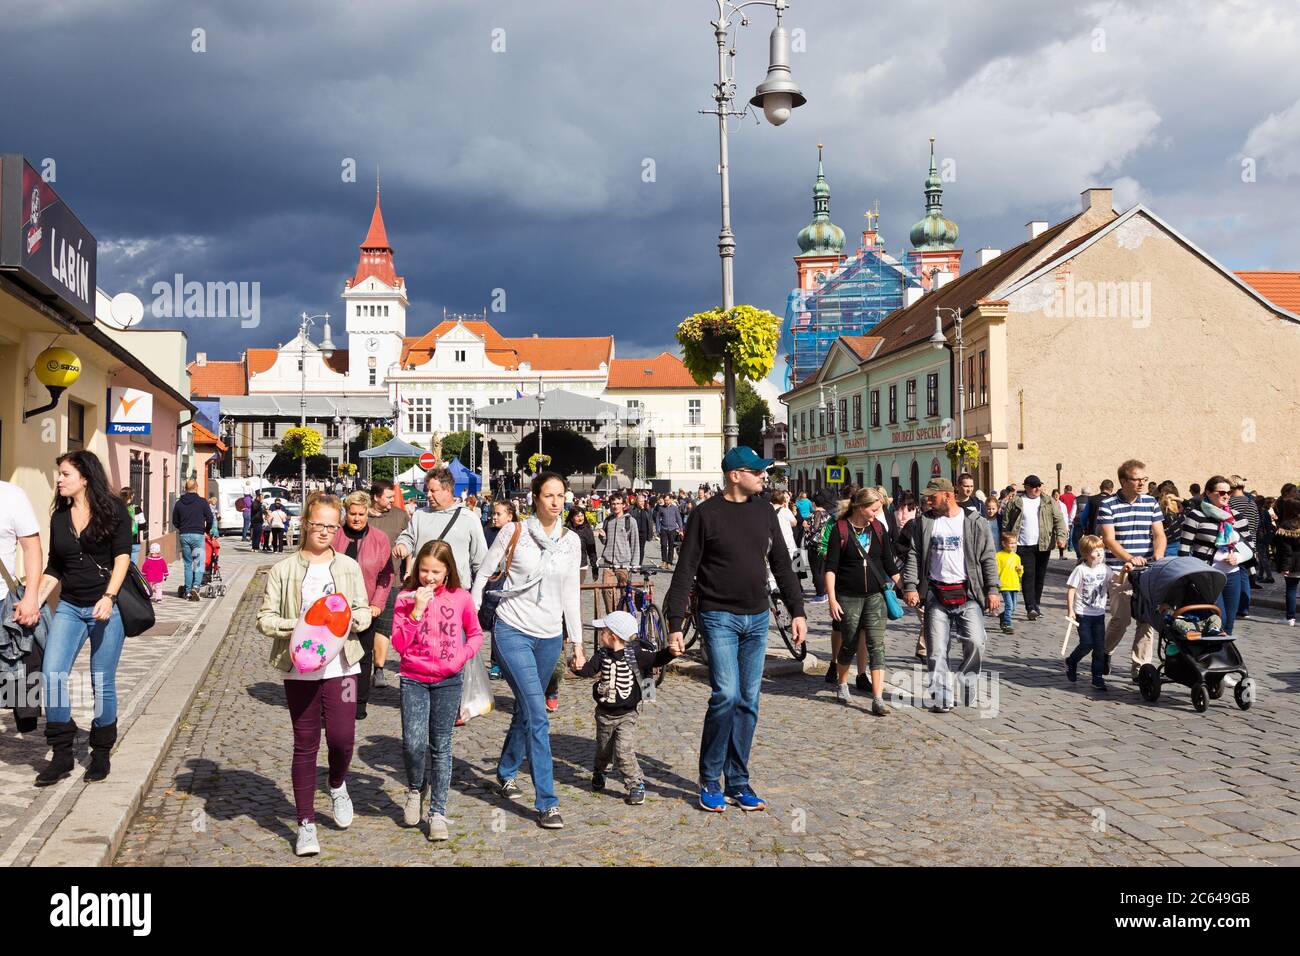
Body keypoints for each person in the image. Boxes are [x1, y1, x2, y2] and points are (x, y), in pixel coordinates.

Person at [664, 447, 806, 813]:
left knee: (749, 701)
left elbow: (781, 564)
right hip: (718, 616)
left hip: (757, 618)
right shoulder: (705, 514)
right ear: (735, 475)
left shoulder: (764, 512)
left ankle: (738, 781)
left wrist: (798, 611)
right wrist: (675, 624)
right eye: (757, 471)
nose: (764, 476)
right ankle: (710, 777)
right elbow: (685, 571)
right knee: (725, 695)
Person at [256, 494, 372, 857]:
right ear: (305, 523)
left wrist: (354, 620)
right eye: (318, 524)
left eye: (331, 526)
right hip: (300, 671)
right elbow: (265, 618)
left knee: (342, 738)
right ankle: (306, 823)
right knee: (305, 744)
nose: (324, 531)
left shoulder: (348, 568)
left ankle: (337, 784)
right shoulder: (284, 570)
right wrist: (302, 626)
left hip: (345, 667)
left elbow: (364, 609)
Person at [470, 472, 584, 829]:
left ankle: (506, 769)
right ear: (535, 497)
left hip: (550, 637)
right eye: (548, 495)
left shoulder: (572, 541)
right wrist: (471, 621)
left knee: (525, 707)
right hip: (512, 630)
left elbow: (571, 595)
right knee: (538, 713)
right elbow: (483, 574)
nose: (555, 501)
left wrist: (577, 643)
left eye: (560, 495)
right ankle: (547, 801)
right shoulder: (513, 532)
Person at [35, 451, 134, 786]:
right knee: (52, 674)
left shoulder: (114, 509)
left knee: (101, 678)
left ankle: (101, 752)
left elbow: (122, 556)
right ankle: (62, 754)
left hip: (106, 606)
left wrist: (109, 596)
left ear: (85, 477)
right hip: (69, 606)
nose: (59, 480)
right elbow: (55, 567)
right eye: (59, 474)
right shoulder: (59, 517)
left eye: (65, 474)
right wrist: (32, 601)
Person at [390, 540, 483, 840]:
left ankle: (438, 813)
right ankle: (416, 788)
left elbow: (476, 635)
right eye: (424, 571)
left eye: (436, 572)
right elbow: (399, 644)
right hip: (413, 678)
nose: (429, 578)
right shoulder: (405, 598)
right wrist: (416, 610)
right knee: (413, 743)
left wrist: (460, 657)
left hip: (448, 680)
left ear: (447, 572)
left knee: (441, 746)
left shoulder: (461, 598)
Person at [901, 477, 1002, 714]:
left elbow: (988, 557)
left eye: (932, 497)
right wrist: (910, 586)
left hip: (967, 594)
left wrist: (993, 590)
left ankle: (968, 682)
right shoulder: (924, 523)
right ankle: (942, 697)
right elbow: (914, 555)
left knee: (976, 642)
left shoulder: (975, 522)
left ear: (947, 495)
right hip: (936, 594)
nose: (928, 501)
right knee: (936, 650)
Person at [572, 609, 678, 805]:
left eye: (602, 631)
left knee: (624, 750)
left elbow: (656, 658)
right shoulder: (601, 654)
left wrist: (670, 653)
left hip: (627, 715)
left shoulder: (636, 654)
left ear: (612, 636)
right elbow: (588, 671)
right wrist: (576, 667)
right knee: (603, 749)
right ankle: (600, 771)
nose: (600, 634)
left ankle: (635, 784)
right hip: (604, 714)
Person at [824, 488, 900, 715]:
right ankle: (842, 683)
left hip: (876, 596)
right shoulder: (841, 529)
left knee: (877, 645)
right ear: (860, 507)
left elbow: (889, 563)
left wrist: (906, 587)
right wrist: (832, 599)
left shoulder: (878, 529)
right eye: (874, 509)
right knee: (849, 642)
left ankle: (878, 698)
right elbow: (831, 568)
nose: (877, 514)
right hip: (848, 596)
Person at [1098, 460, 1165, 678]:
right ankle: (1104, 652)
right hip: (1121, 570)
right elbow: (1109, 539)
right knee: (1121, 619)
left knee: (1147, 621)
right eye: (1137, 479)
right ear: (1124, 481)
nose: (1142, 483)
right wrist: (1130, 558)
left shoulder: (1151, 503)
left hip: (1147, 571)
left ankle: (1141, 668)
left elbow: (1159, 534)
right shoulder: (1108, 505)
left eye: (1144, 479)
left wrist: (1158, 555)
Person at [331, 492, 394, 720]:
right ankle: (334, 701)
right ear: (345, 513)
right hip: (334, 609)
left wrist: (377, 604)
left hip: (365, 610)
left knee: (362, 656)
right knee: (336, 655)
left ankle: (358, 702)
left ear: (368, 513)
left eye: (361, 514)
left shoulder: (379, 539)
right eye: (352, 514)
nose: (356, 518)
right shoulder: (334, 536)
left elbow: (386, 575)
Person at [394, 467, 488, 607]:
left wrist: (476, 601)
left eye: (433, 491)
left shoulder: (469, 518)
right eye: (427, 490)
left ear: (448, 490)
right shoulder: (420, 515)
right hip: (422, 593)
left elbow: (480, 561)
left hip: (455, 594)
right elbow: (408, 537)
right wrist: (402, 545)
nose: (428, 495)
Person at [1179, 475, 1249, 636]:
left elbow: (1249, 545)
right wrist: (1187, 578)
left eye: (1229, 492)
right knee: (1218, 619)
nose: (1226, 496)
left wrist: (1237, 558)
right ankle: (1208, 656)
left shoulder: (1237, 517)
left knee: (1229, 622)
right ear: (1209, 493)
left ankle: (1222, 659)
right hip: (1206, 575)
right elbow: (1184, 550)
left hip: (1232, 575)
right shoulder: (1196, 516)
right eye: (1221, 492)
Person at [1000, 475, 1066, 621]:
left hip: (1043, 544)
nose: (1037, 489)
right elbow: (1006, 522)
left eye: (1039, 485)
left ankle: (1036, 604)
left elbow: (1059, 520)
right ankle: (1030, 607)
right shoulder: (1016, 502)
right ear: (1027, 487)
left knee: (1040, 576)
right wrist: (1006, 540)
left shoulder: (1048, 501)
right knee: (1028, 575)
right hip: (1023, 544)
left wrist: (1062, 537)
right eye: (1034, 486)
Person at [366, 480, 409, 689]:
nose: (393, 500)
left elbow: (411, 542)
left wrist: (408, 569)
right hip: (364, 581)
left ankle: (379, 669)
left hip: (392, 580)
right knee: (362, 626)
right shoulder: (362, 515)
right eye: (389, 496)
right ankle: (360, 667)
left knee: (384, 626)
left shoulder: (400, 516)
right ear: (375, 497)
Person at [1065, 535, 1119, 692]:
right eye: (1096, 551)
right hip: (1083, 613)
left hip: (1099, 614)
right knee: (1087, 643)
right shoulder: (1080, 570)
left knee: (1099, 648)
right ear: (1086, 554)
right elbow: (1071, 590)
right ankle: (1072, 661)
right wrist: (1071, 610)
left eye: (1102, 550)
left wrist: (1124, 572)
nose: (1100, 554)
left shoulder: (1105, 569)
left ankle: (1097, 677)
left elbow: (1116, 580)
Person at [172, 479, 214, 601]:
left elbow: (175, 521)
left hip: (184, 535)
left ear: (185, 488)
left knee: (188, 564)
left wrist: (183, 528)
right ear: (196, 487)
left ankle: (188, 591)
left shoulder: (179, 503)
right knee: (198, 562)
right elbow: (210, 518)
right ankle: (196, 586)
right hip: (198, 535)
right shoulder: (202, 502)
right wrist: (207, 529)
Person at [597, 493, 639, 615]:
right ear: (610, 505)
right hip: (608, 562)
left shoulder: (630, 521)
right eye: (613, 504)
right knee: (606, 591)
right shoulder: (608, 520)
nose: (615, 506)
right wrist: (602, 537)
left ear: (623, 505)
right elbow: (605, 541)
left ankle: (623, 617)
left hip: (624, 563)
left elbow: (635, 543)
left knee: (625, 592)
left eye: (618, 504)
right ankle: (612, 616)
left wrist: (634, 564)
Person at [1228, 476, 1260, 619]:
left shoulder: (1231, 502)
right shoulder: (1251, 502)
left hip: (1236, 541)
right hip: (1250, 541)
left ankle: (1237, 606)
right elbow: (1256, 522)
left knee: (1237, 574)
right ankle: (1244, 607)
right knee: (1245, 575)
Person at [1270, 496, 1300, 626]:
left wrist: (1285, 566)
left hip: (1293, 564)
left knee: (1291, 589)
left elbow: (1286, 551)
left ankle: (1290, 618)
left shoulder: (1286, 526)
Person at [996, 533, 1023, 634]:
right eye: (1011, 543)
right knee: (1009, 606)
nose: (1013, 545)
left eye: (1014, 543)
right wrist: (997, 583)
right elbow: (996, 571)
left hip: (1014, 585)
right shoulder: (998, 556)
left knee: (1014, 607)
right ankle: (1007, 624)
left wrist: (1020, 570)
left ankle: (1003, 616)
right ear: (1003, 543)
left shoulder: (1016, 557)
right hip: (1004, 585)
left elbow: (1020, 574)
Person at [566, 506, 598, 581]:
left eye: (582, 515)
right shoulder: (566, 530)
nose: (580, 518)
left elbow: (592, 551)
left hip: (581, 566)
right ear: (571, 518)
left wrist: (595, 569)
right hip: (567, 566)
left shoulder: (587, 531)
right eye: (577, 516)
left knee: (577, 589)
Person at [655, 494, 683, 566]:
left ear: (671, 500)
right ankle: (664, 560)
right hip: (663, 529)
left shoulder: (675, 508)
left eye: (667, 500)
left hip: (672, 529)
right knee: (663, 545)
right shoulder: (661, 508)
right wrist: (657, 529)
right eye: (665, 500)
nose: (666, 502)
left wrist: (681, 529)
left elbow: (678, 518)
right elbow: (657, 519)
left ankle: (669, 562)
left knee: (671, 546)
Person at [120, 487, 145, 566]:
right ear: (131, 496)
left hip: (121, 542)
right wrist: (134, 527)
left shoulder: (118, 507)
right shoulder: (137, 508)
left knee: (121, 565)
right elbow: (143, 525)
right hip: (134, 540)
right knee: (132, 567)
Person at [628, 494, 654, 567]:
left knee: (641, 548)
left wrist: (643, 509)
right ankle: (633, 562)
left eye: (643, 501)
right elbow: (631, 518)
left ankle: (639, 564)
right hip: (634, 532)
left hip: (644, 532)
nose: (641, 503)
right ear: (636, 502)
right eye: (640, 501)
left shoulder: (646, 510)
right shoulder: (632, 509)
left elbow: (649, 521)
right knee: (633, 547)